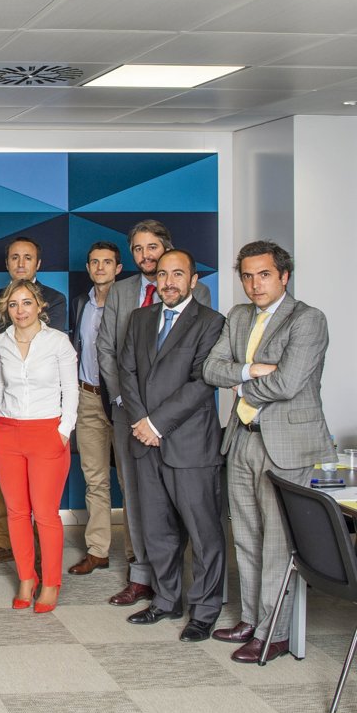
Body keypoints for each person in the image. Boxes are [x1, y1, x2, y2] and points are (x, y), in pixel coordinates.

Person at [203, 240, 333, 663]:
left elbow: (289, 383)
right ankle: (251, 619)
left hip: (286, 445)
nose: (255, 284)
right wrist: (250, 370)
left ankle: (273, 632)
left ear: (284, 276)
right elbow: (211, 369)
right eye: (247, 276)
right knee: (245, 535)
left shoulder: (308, 319)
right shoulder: (239, 316)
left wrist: (240, 385)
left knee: (277, 541)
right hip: (242, 436)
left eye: (264, 275)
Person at [96, 220, 211, 608]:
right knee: (137, 497)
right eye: (138, 249)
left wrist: (159, 419)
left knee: (184, 504)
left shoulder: (197, 292)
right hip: (130, 413)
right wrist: (130, 407)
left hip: (179, 422)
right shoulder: (121, 291)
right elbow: (108, 351)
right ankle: (143, 576)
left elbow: (199, 361)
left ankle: (179, 583)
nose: (145, 255)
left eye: (152, 248)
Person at [118, 249, 225, 642]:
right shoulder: (140, 318)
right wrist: (141, 422)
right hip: (145, 442)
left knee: (203, 532)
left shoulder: (212, 322)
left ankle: (205, 610)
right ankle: (166, 600)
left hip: (190, 444)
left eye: (178, 274)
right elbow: (126, 371)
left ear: (193, 280)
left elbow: (202, 382)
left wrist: (156, 423)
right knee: (158, 530)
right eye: (162, 275)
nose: (169, 282)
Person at [0, 279, 78, 613]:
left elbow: (71, 389)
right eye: (13, 304)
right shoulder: (1, 341)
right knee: (16, 512)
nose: (20, 310)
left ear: (40, 305)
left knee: (46, 514)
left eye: (26, 303)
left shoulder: (58, 342)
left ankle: (50, 582)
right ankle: (27, 578)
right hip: (7, 432)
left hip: (47, 432)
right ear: (6, 309)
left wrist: (64, 430)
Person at [0, 235, 67, 571]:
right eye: (14, 257)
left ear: (37, 263)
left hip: (42, 414)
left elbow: (46, 344)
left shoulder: (55, 299)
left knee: (41, 496)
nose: (20, 263)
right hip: (6, 411)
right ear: (7, 263)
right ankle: (5, 543)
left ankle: (40, 551)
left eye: (27, 257)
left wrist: (65, 427)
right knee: (4, 485)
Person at [67, 241, 123, 576]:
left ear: (118, 268)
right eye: (94, 262)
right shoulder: (80, 304)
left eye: (107, 262)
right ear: (88, 267)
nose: (100, 267)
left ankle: (137, 556)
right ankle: (98, 550)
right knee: (95, 479)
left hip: (121, 400)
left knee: (130, 481)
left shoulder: (129, 303)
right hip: (87, 397)